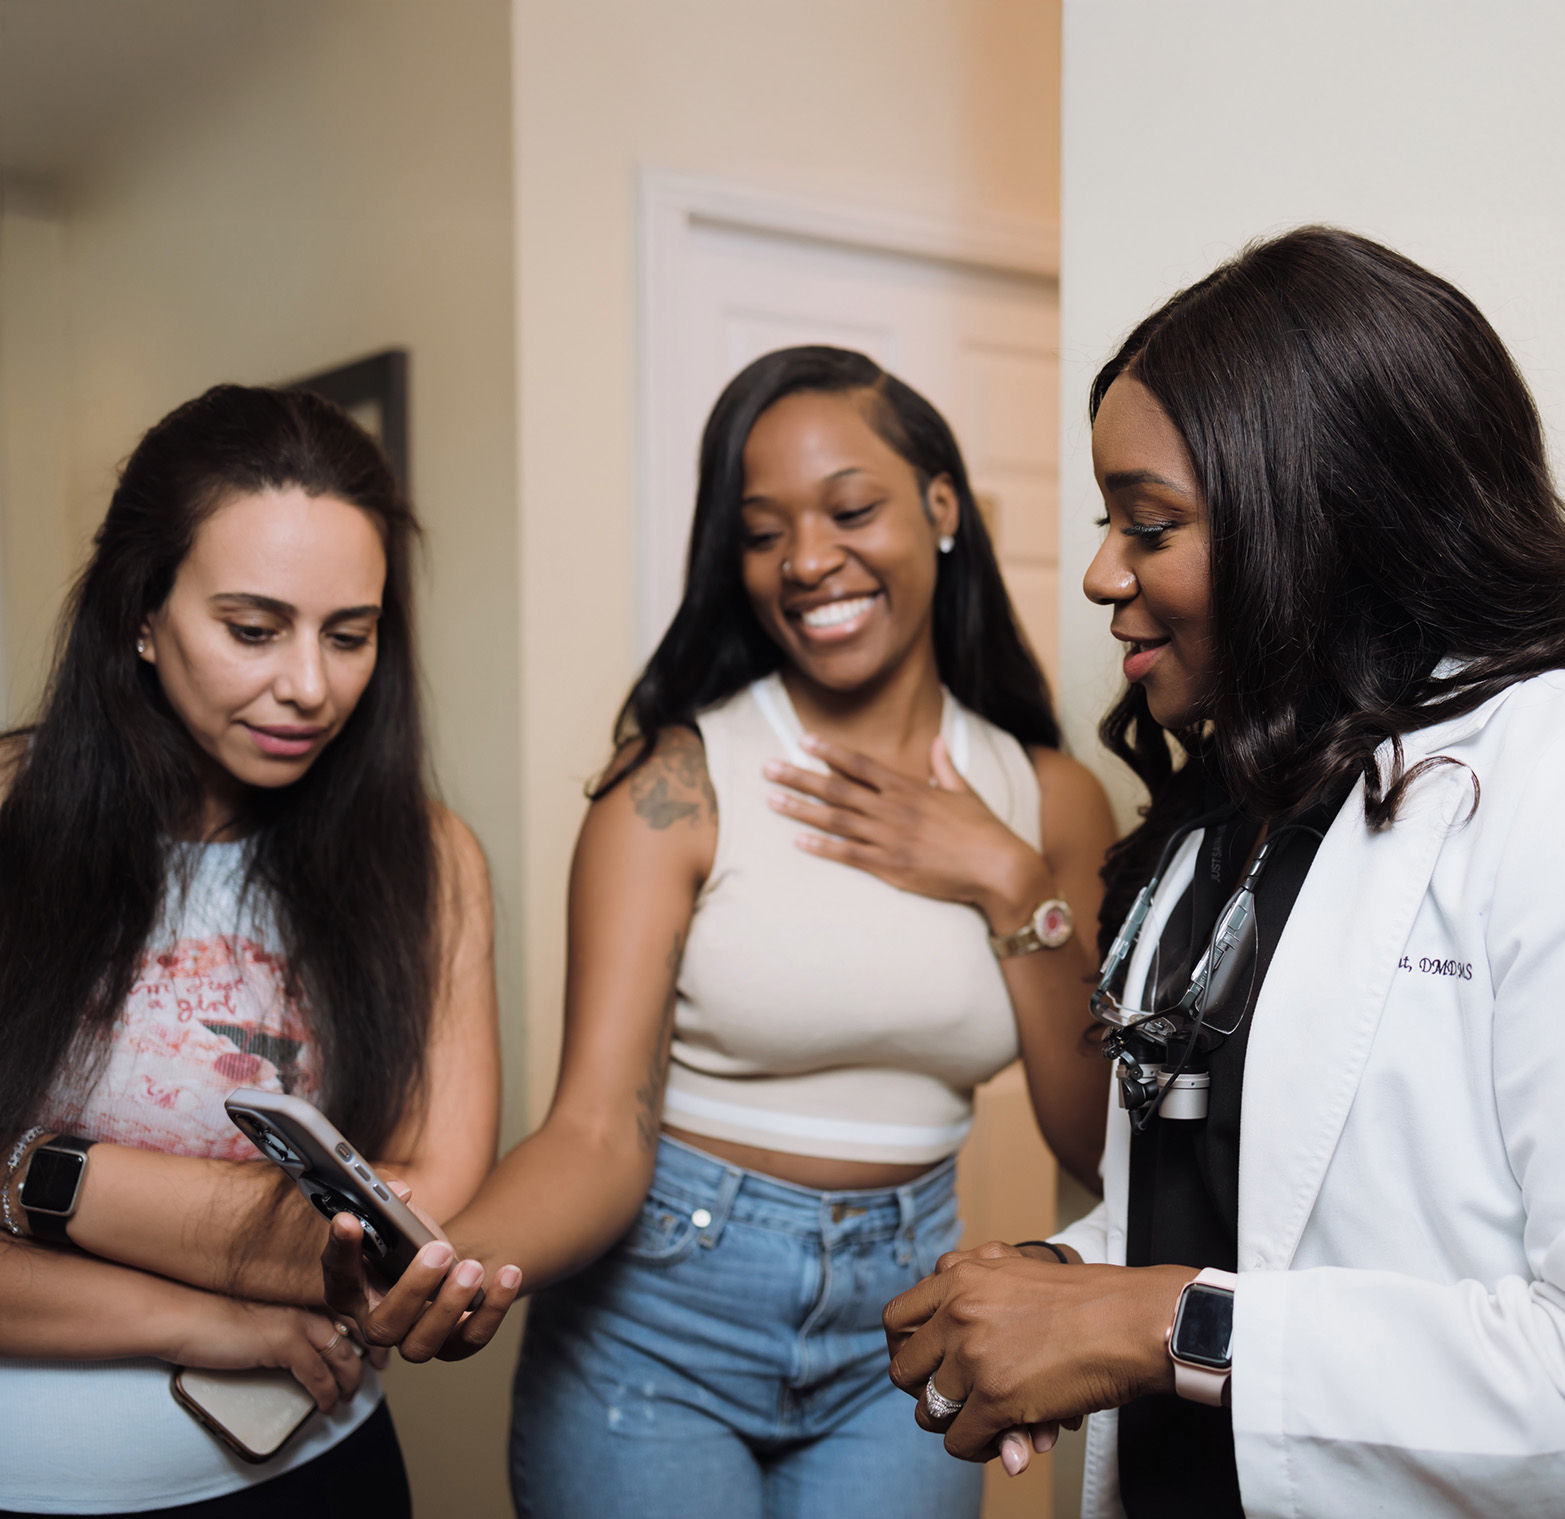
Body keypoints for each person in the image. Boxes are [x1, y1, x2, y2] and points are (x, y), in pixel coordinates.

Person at [881, 229, 1565, 1518]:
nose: (1102, 572)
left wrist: (1134, 1317)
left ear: (1321, 520)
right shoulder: (1243, 803)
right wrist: (1063, 1279)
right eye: (1105, 520)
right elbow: (1273, 1206)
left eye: (1150, 522)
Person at [332, 346, 1115, 1518]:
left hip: (905, 1337)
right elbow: (594, 1132)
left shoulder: (1047, 801)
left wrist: (1004, 879)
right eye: (761, 532)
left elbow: (1094, 1135)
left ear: (940, 505)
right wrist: (447, 1264)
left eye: (850, 508)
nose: (807, 560)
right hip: (657, 1335)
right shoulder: (677, 783)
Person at [0, 386, 503, 1517]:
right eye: (252, 628)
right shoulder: (7, 819)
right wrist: (212, 1318)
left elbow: (398, 1233)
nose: (310, 687)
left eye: (349, 633)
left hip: (319, 1479)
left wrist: (43, 1180)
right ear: (140, 610)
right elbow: (333, 1236)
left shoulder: (427, 860)